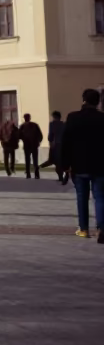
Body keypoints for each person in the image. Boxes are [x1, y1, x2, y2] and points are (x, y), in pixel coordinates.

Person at [60, 88, 104, 241]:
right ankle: (101, 228)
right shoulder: (102, 118)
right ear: (98, 102)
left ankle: (84, 229)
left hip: (79, 165)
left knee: (82, 197)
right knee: (100, 197)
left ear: (83, 100)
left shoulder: (73, 118)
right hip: (100, 165)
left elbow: (65, 142)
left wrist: (65, 164)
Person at [43, 111, 67, 184]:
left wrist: (50, 140)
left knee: (54, 160)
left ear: (54, 117)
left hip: (55, 145)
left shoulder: (52, 124)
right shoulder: (64, 124)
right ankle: (62, 176)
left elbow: (50, 135)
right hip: (63, 145)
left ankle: (60, 176)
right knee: (61, 160)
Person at [18, 114, 43, 179]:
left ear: (25, 118)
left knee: (27, 159)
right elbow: (40, 135)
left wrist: (23, 139)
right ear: (30, 118)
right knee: (35, 160)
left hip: (27, 145)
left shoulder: (22, 126)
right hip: (34, 144)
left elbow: (19, 135)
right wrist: (38, 141)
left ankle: (28, 173)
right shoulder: (35, 125)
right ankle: (36, 174)